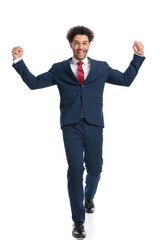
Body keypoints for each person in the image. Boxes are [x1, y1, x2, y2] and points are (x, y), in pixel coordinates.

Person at [12, 26, 145, 239]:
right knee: (75, 169)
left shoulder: (101, 68)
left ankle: (88, 196)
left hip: (94, 125)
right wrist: (19, 62)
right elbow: (34, 83)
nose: (80, 47)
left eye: (84, 43)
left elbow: (125, 80)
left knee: (95, 168)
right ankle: (78, 220)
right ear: (71, 44)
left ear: (89, 44)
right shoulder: (59, 68)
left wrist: (137, 57)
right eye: (76, 43)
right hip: (71, 125)